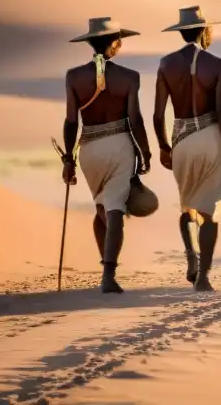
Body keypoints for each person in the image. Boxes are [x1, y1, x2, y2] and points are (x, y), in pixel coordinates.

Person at [62, 17, 152, 294]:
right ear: (113, 44)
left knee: (101, 208)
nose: (121, 45)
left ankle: (106, 270)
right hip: (120, 145)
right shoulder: (130, 77)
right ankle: (108, 275)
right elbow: (135, 118)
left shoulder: (73, 77)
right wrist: (145, 151)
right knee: (115, 211)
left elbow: (71, 122)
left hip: (89, 148)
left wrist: (69, 158)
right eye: (119, 41)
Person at [154, 6, 221, 291]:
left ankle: (191, 252)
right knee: (210, 211)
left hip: (181, 140)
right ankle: (203, 277)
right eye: (211, 29)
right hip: (211, 137)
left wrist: (164, 147)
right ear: (204, 31)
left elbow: (157, 115)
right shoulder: (217, 64)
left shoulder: (166, 65)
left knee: (187, 203)